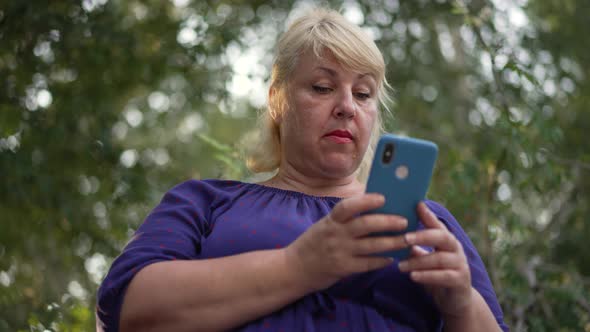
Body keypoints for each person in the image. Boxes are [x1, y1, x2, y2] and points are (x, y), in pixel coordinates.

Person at [97, 8, 509, 332]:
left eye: (363, 93)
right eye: (323, 87)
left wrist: (461, 304)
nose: (347, 105)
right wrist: (300, 266)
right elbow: (127, 312)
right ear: (278, 101)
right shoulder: (205, 202)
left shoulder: (429, 223)